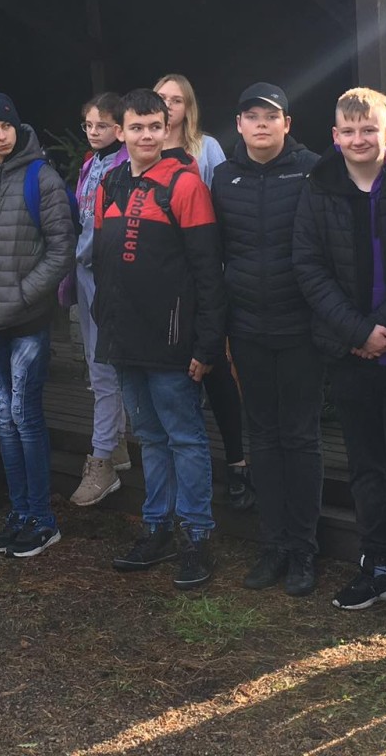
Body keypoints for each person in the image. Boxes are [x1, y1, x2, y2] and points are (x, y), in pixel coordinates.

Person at [294, 88, 386, 623]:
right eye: (348, 131)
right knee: (365, 468)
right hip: (349, 352)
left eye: (368, 129)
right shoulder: (318, 187)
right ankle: (378, 564)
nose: (359, 139)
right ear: (335, 137)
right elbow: (308, 267)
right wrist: (358, 331)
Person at [96, 88, 226, 590]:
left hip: (172, 341)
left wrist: (206, 342)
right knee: (150, 437)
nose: (146, 136)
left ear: (167, 127)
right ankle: (157, 528)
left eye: (155, 126)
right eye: (136, 127)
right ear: (121, 132)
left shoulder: (185, 184)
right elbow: (103, 263)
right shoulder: (109, 183)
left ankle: (196, 535)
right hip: (124, 339)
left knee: (185, 437)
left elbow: (208, 271)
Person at [211, 82, 322, 595]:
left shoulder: (313, 170)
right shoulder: (222, 177)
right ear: (239, 125)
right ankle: (273, 544)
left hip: (300, 328)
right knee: (263, 437)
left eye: (270, 116)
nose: (261, 124)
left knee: (300, 437)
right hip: (247, 328)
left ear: (286, 124)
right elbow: (214, 255)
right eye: (251, 116)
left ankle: (304, 549)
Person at [0, 91, 76, 559]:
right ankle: (20, 512)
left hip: (26, 321)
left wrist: (25, 295)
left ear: (17, 127)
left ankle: (43, 519)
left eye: (5, 127)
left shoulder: (41, 178)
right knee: (4, 420)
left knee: (25, 417)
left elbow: (61, 249)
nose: (0, 136)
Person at [155, 73, 250, 507]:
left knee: (214, 368)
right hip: (161, 278)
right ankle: (185, 472)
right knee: (173, 376)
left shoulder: (206, 148)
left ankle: (237, 462)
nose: (168, 106)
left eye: (176, 100)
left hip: (203, 269)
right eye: (161, 98)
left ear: (188, 107)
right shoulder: (142, 148)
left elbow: (221, 211)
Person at [70, 91, 132, 508]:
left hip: (110, 275)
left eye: (102, 125)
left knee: (107, 366)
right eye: (88, 125)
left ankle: (103, 456)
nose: (94, 132)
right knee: (97, 364)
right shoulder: (91, 163)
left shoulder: (125, 166)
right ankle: (116, 442)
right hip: (85, 273)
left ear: (120, 128)